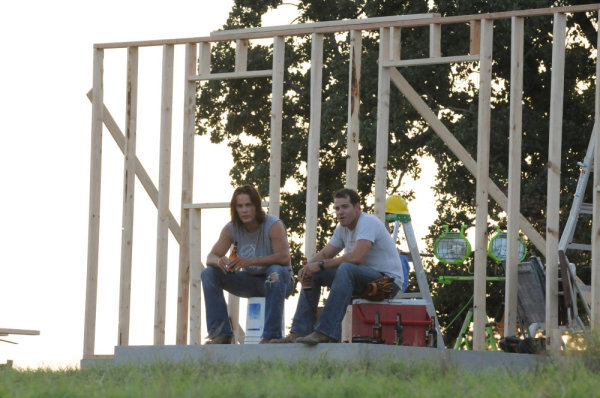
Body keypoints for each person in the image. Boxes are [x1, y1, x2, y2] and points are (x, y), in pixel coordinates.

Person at [271, 188, 404, 344]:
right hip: (363, 279)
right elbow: (325, 254)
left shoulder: (368, 222)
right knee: (314, 274)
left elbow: (356, 258)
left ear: (357, 207)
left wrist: (320, 265)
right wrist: (307, 268)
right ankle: (299, 331)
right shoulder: (342, 229)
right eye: (337, 208)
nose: (340, 212)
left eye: (345, 207)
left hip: (388, 283)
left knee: (346, 267)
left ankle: (325, 332)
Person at [202, 185, 294, 344]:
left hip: (279, 281)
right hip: (250, 281)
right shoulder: (231, 228)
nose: (244, 210)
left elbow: (284, 257)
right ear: (235, 208)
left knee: (275, 271)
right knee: (208, 273)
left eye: (248, 205)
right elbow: (210, 256)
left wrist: (250, 261)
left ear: (256, 206)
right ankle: (221, 334)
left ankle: (271, 335)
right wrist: (219, 261)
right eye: (240, 206)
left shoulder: (273, 225)